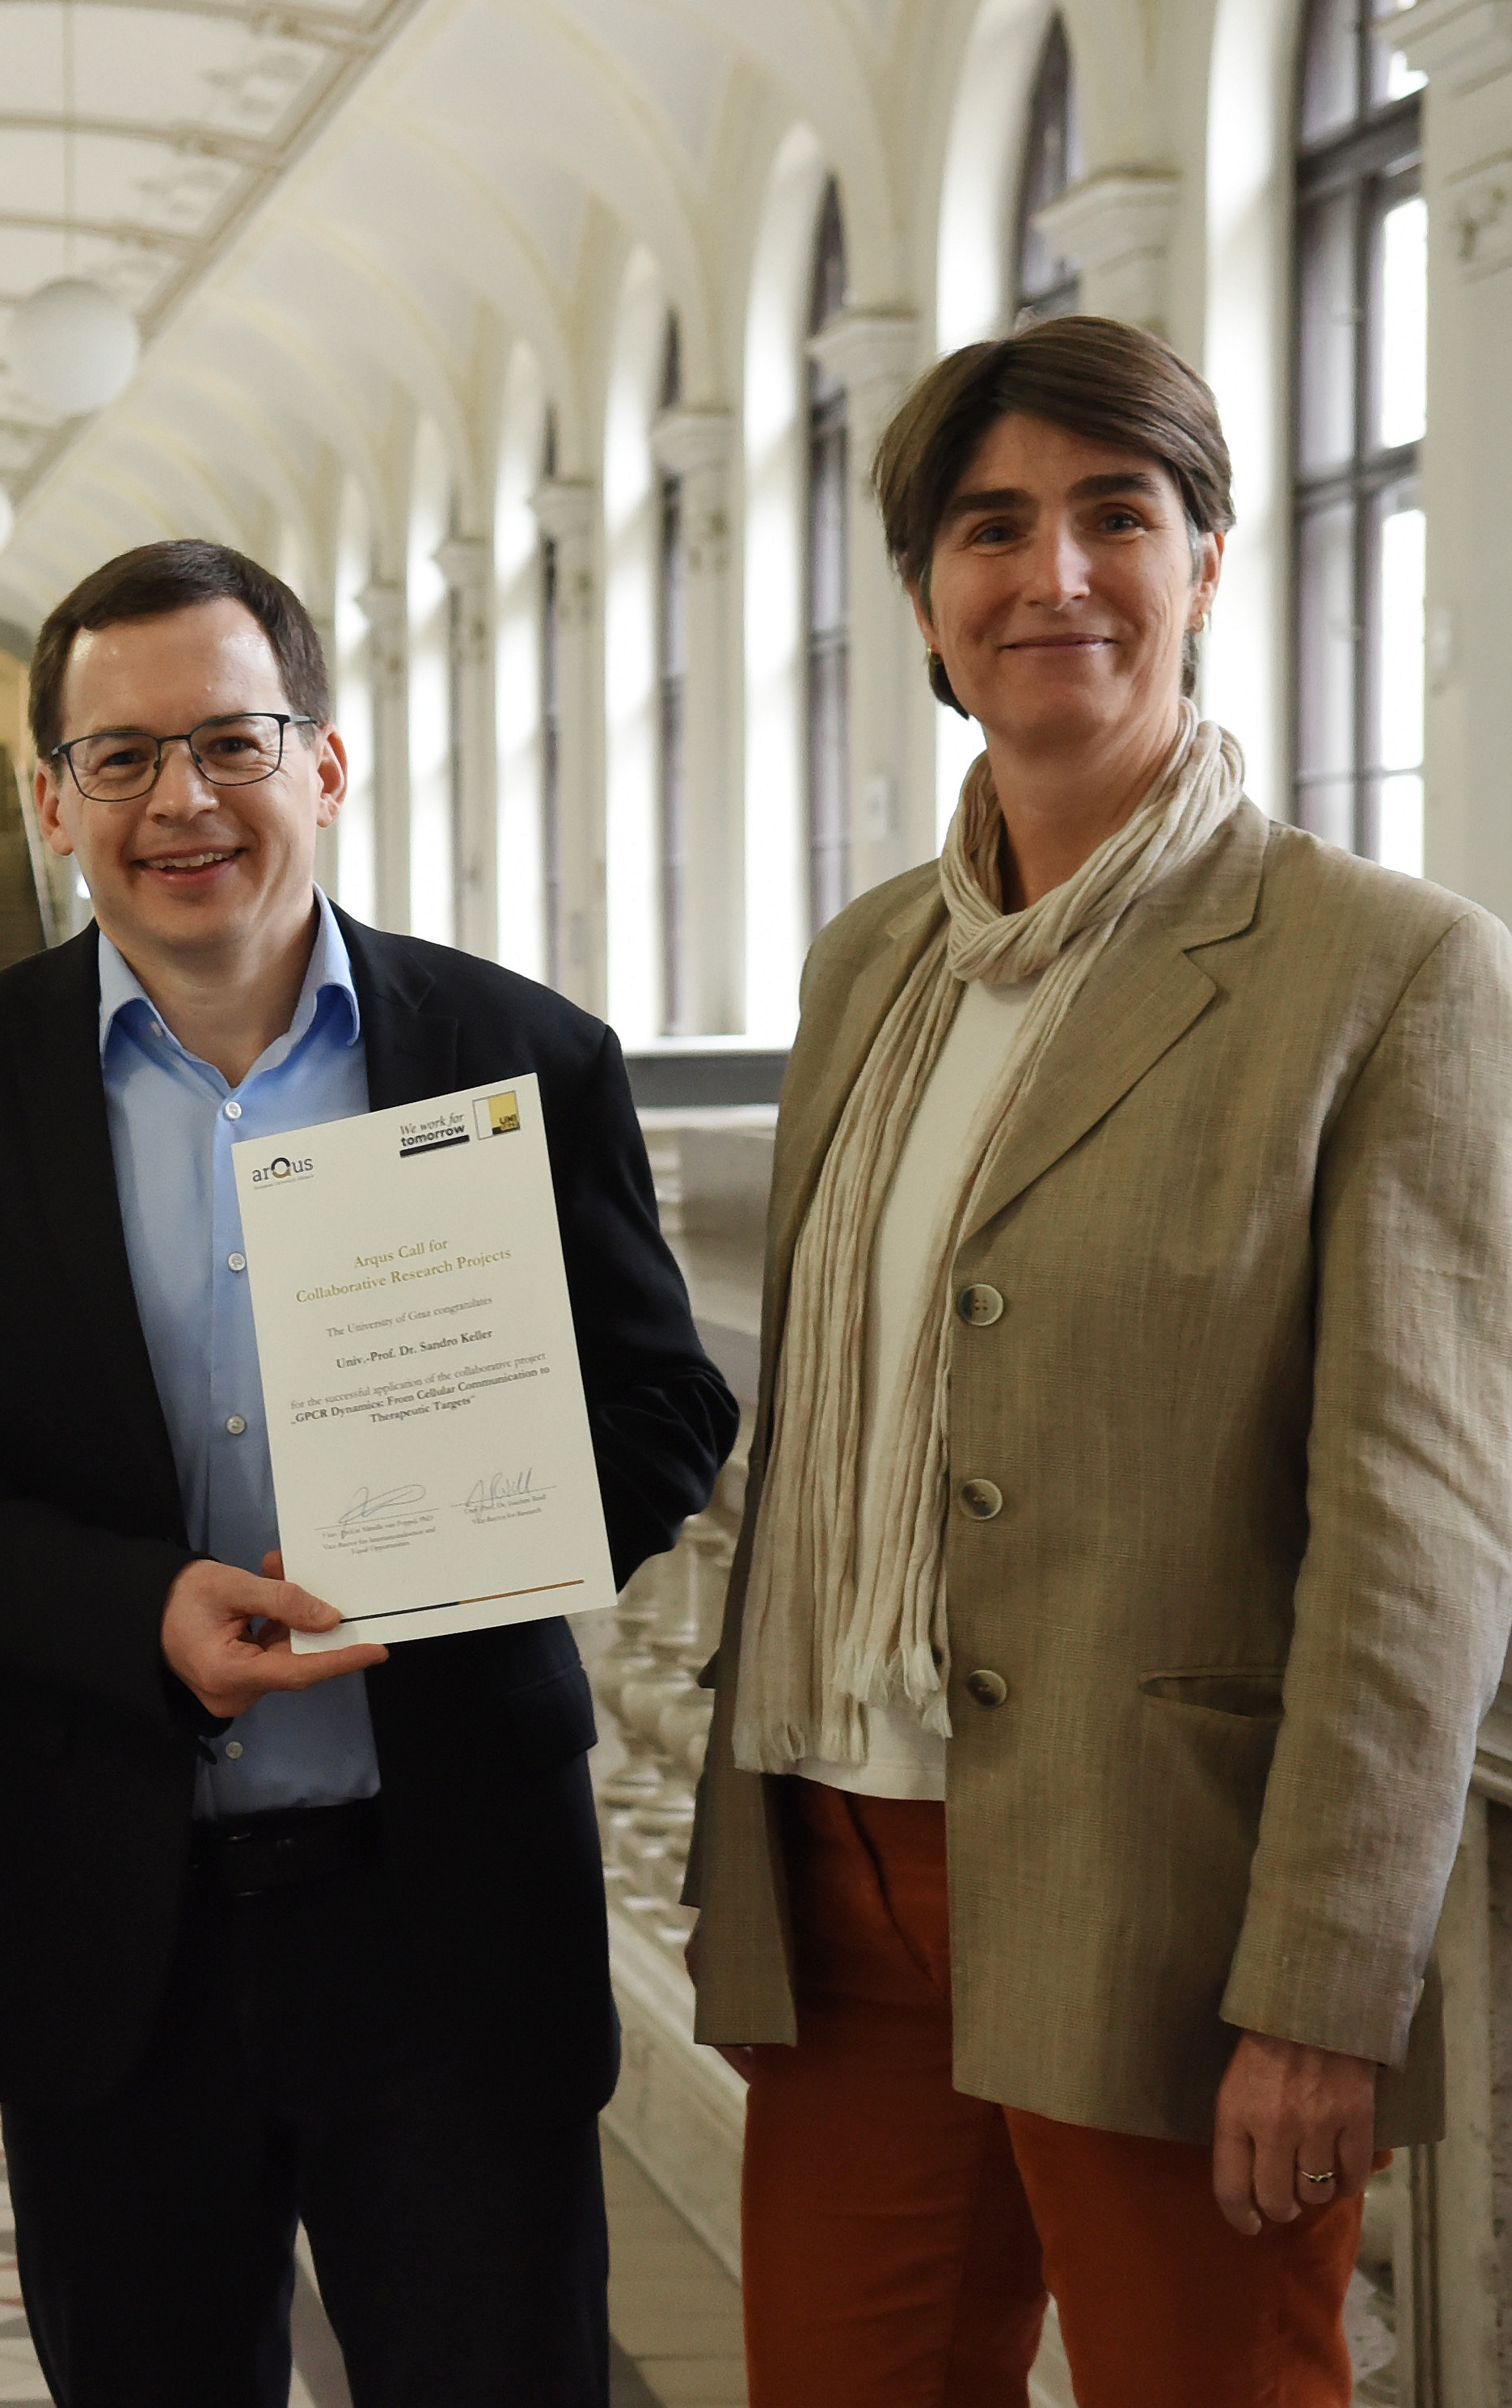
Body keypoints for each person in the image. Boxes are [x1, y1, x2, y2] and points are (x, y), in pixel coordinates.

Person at [682, 315, 1512, 2407]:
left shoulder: (1380, 971)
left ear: (1206, 559)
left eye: (1111, 514)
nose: (1049, 574)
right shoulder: (867, 958)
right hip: (834, 1875)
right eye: (987, 528)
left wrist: (1324, 1986)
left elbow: (1415, 1541)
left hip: (1167, 1908)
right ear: (923, 607)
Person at [0, 539, 736, 2406]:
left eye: (231, 743)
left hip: (446, 1896)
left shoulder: (517, 1057)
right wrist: (132, 1606)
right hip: (104, 1913)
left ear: (323, 765)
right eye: (122, 756)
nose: (181, 802)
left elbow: (662, 1410)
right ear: (49, 798)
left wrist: (463, 1536)